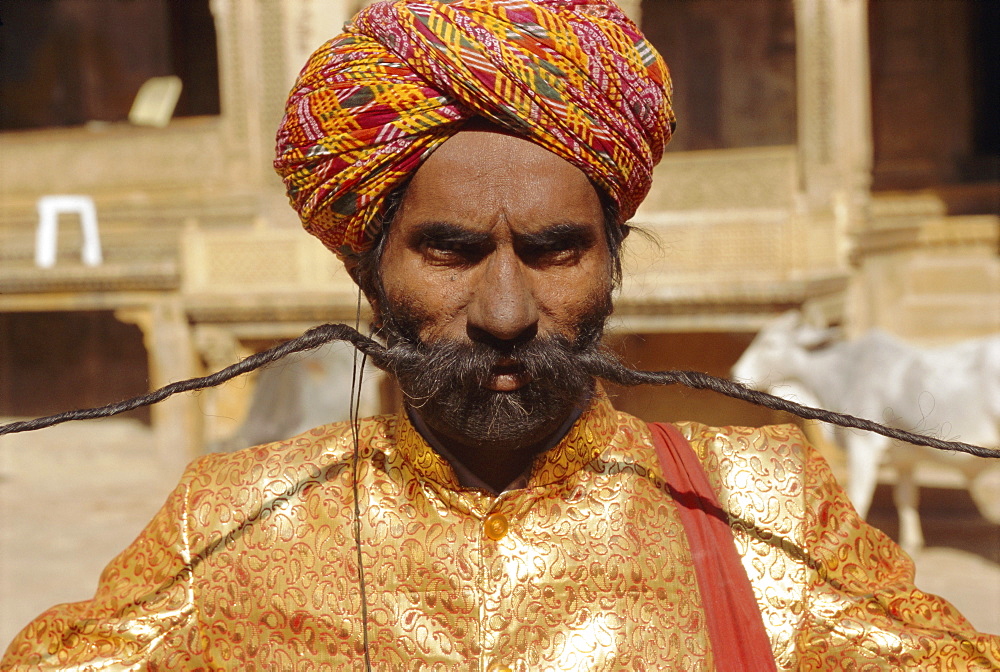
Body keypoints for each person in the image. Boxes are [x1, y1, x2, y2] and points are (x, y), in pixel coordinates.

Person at [4, 0, 999, 669]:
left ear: (611, 264)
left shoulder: (763, 506)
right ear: (368, 270)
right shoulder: (233, 520)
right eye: (446, 251)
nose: (506, 312)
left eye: (557, 250)